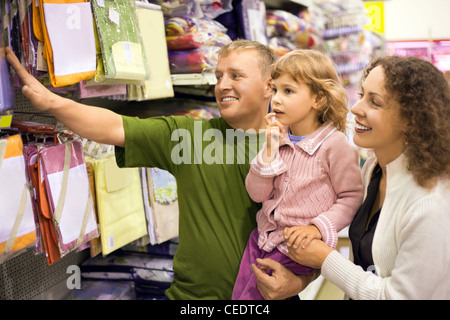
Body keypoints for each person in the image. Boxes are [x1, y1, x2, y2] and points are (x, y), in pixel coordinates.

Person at [6, 40, 313, 299]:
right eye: (219, 75)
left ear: (268, 86)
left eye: (236, 75)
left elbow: (318, 235)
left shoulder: (301, 149)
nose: (222, 85)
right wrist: (51, 102)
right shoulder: (189, 137)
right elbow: (115, 127)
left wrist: (299, 282)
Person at [285, 56, 450, 299]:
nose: (356, 108)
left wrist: (324, 258)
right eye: (362, 94)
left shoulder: (429, 204)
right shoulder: (374, 167)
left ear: (410, 119)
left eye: (374, 102)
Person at [232, 49, 363, 300]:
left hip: (297, 246)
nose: (277, 99)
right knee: (240, 296)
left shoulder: (335, 146)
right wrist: (268, 151)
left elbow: (351, 198)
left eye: (288, 91)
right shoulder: (276, 138)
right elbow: (258, 193)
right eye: (276, 90)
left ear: (319, 99)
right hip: (262, 237)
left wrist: (316, 228)